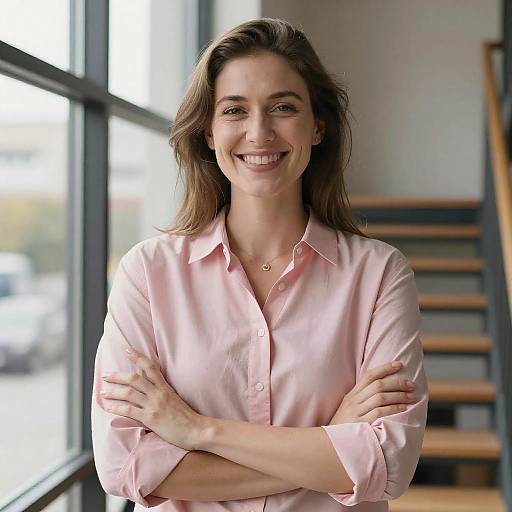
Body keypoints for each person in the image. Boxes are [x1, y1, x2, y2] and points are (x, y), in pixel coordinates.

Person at [91, 17, 428, 512]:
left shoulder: (379, 275)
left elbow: (386, 465)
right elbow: (125, 466)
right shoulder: (147, 274)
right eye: (234, 110)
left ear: (317, 127)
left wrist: (196, 430)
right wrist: (329, 442)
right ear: (207, 131)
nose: (259, 132)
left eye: (283, 107)